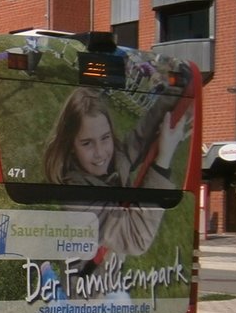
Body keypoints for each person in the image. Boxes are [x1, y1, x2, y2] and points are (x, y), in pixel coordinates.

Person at [42, 86, 186, 257]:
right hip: (88, 281)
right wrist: (163, 160)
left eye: (105, 138)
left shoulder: (116, 159)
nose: (100, 152)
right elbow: (134, 238)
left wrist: (175, 93)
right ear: (71, 146)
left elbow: (141, 136)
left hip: (111, 275)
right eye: (87, 143)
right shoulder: (75, 198)